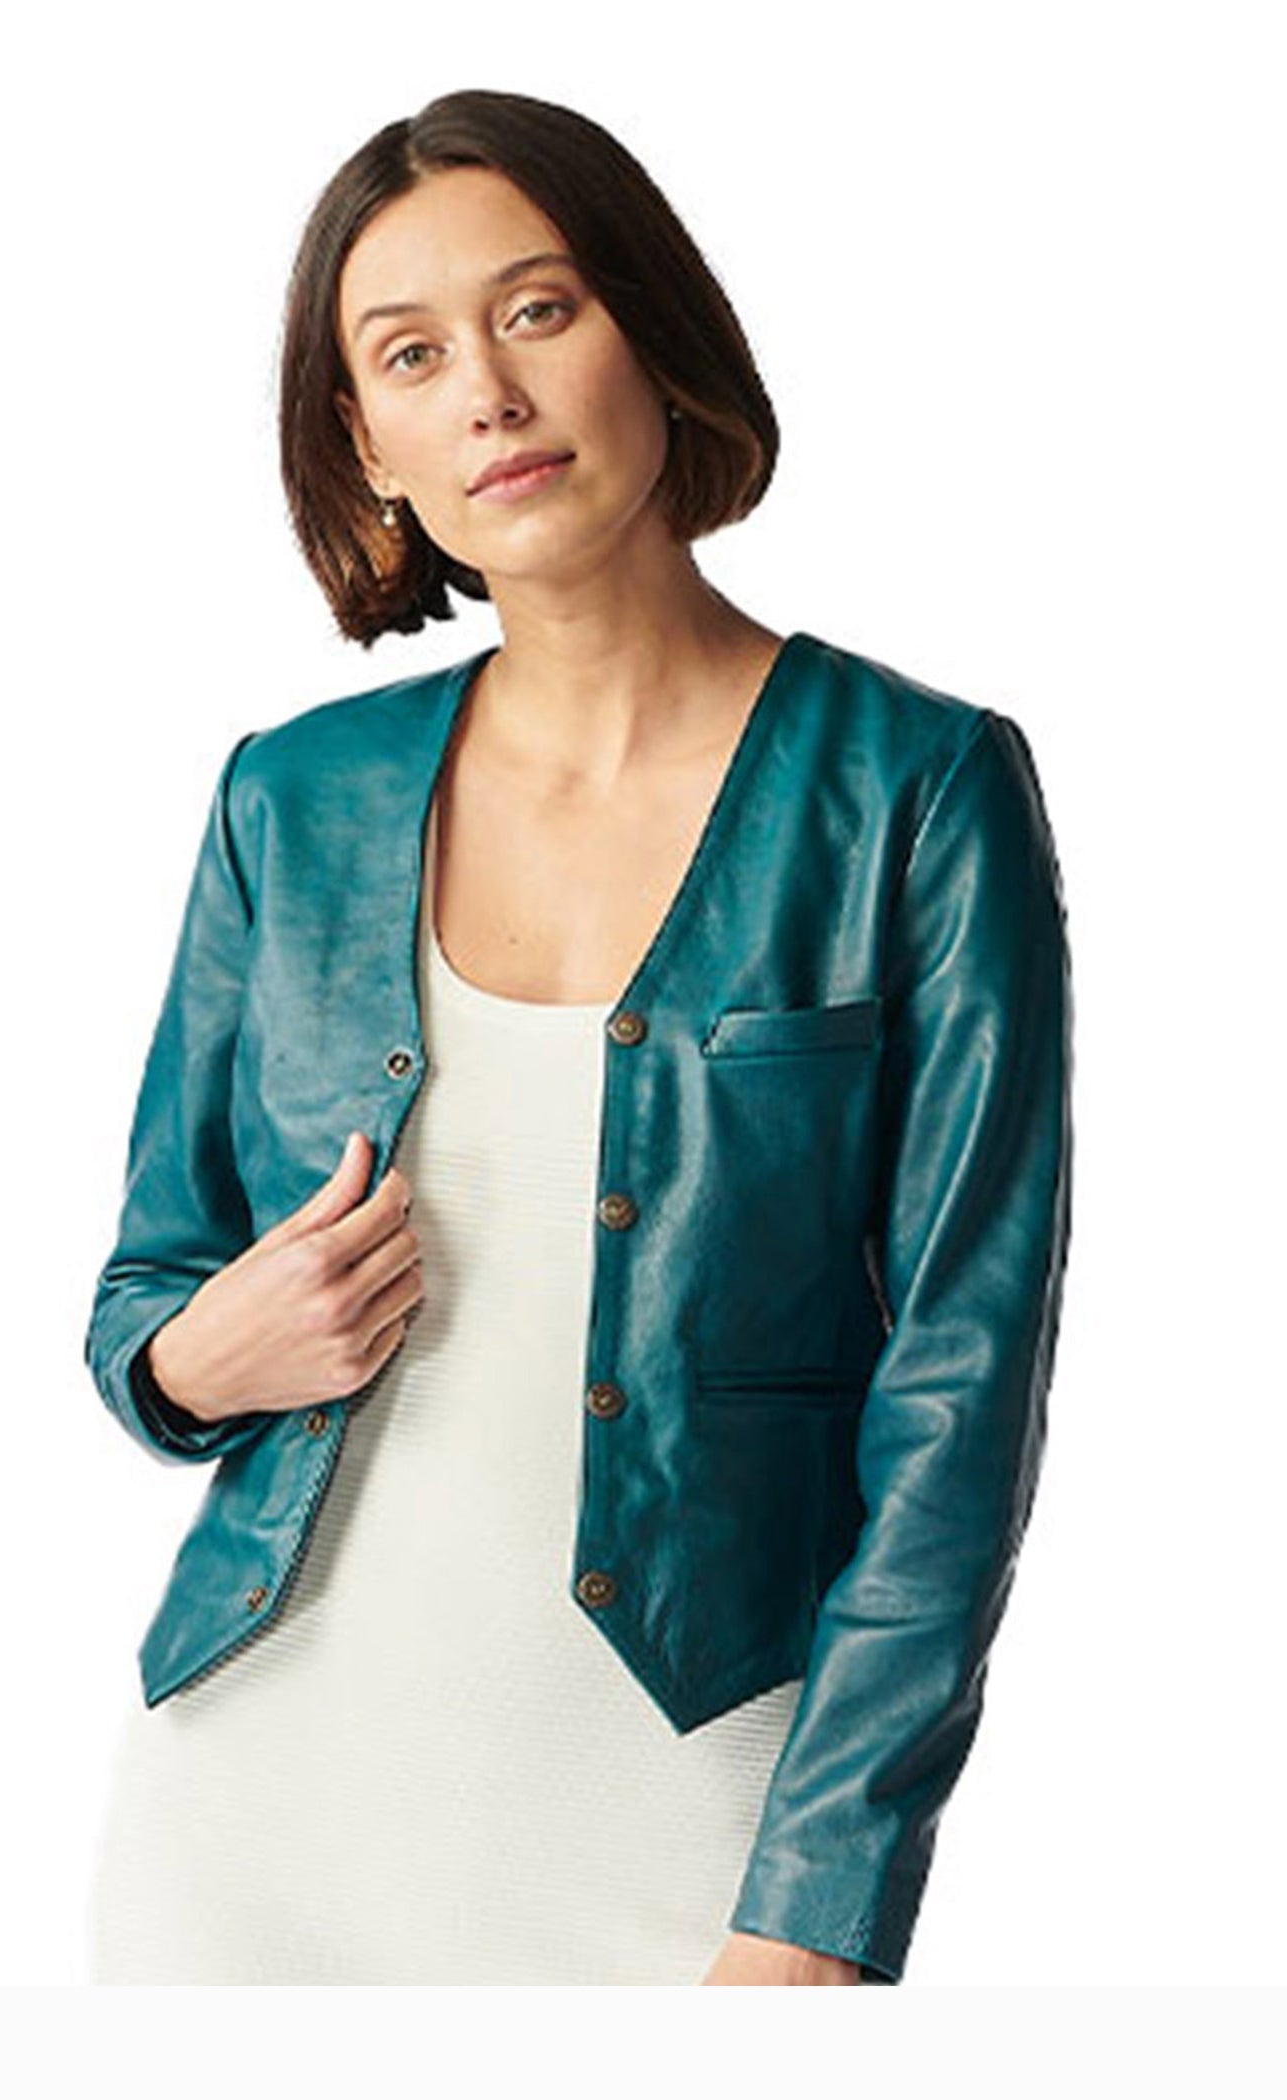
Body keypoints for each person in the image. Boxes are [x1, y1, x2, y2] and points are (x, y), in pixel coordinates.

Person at [83, 87, 1073, 1986]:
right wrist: (200, 1360)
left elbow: (960, 1388)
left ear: (652, 332)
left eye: (538, 311)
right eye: (410, 355)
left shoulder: (915, 790)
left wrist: (819, 1911)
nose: (488, 393)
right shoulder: (291, 799)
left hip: (689, 1830)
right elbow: (153, 1288)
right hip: (252, 1832)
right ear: (366, 444)